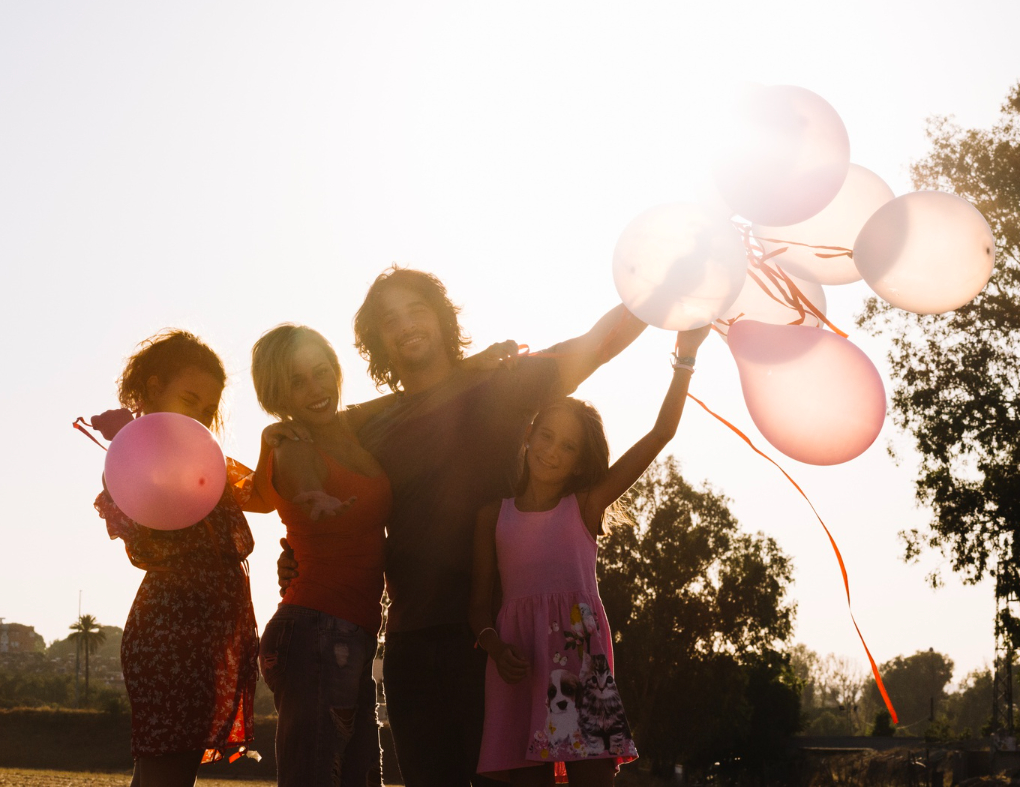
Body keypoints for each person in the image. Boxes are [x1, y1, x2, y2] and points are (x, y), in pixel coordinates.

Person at [278, 266, 648, 786]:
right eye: (389, 320)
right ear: (376, 341)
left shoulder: (508, 383)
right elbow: (300, 461)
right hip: (414, 642)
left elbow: (597, 343)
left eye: (416, 309)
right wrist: (298, 550)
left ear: (442, 318)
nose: (405, 325)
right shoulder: (366, 424)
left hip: (504, 642)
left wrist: (666, 291)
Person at [470, 326, 710, 786]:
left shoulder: (585, 506)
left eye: (568, 447)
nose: (552, 452)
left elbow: (661, 433)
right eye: (546, 437)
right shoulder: (491, 517)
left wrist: (686, 358)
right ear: (529, 434)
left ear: (581, 462)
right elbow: (478, 607)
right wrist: (496, 648)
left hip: (579, 663)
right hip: (515, 668)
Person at [93, 329, 267, 787]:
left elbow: (262, 494)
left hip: (204, 632)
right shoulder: (136, 460)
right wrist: (133, 439)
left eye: (209, 410)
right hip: (172, 631)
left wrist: (280, 442)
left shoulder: (204, 459)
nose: (202, 417)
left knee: (169, 767)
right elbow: (147, 544)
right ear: (153, 389)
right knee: (166, 767)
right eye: (191, 400)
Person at [250, 324, 392, 787]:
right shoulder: (289, 443)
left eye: (321, 371)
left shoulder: (355, 428)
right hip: (317, 629)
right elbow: (298, 476)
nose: (316, 389)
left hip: (350, 632)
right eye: (297, 381)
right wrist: (314, 497)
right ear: (278, 393)